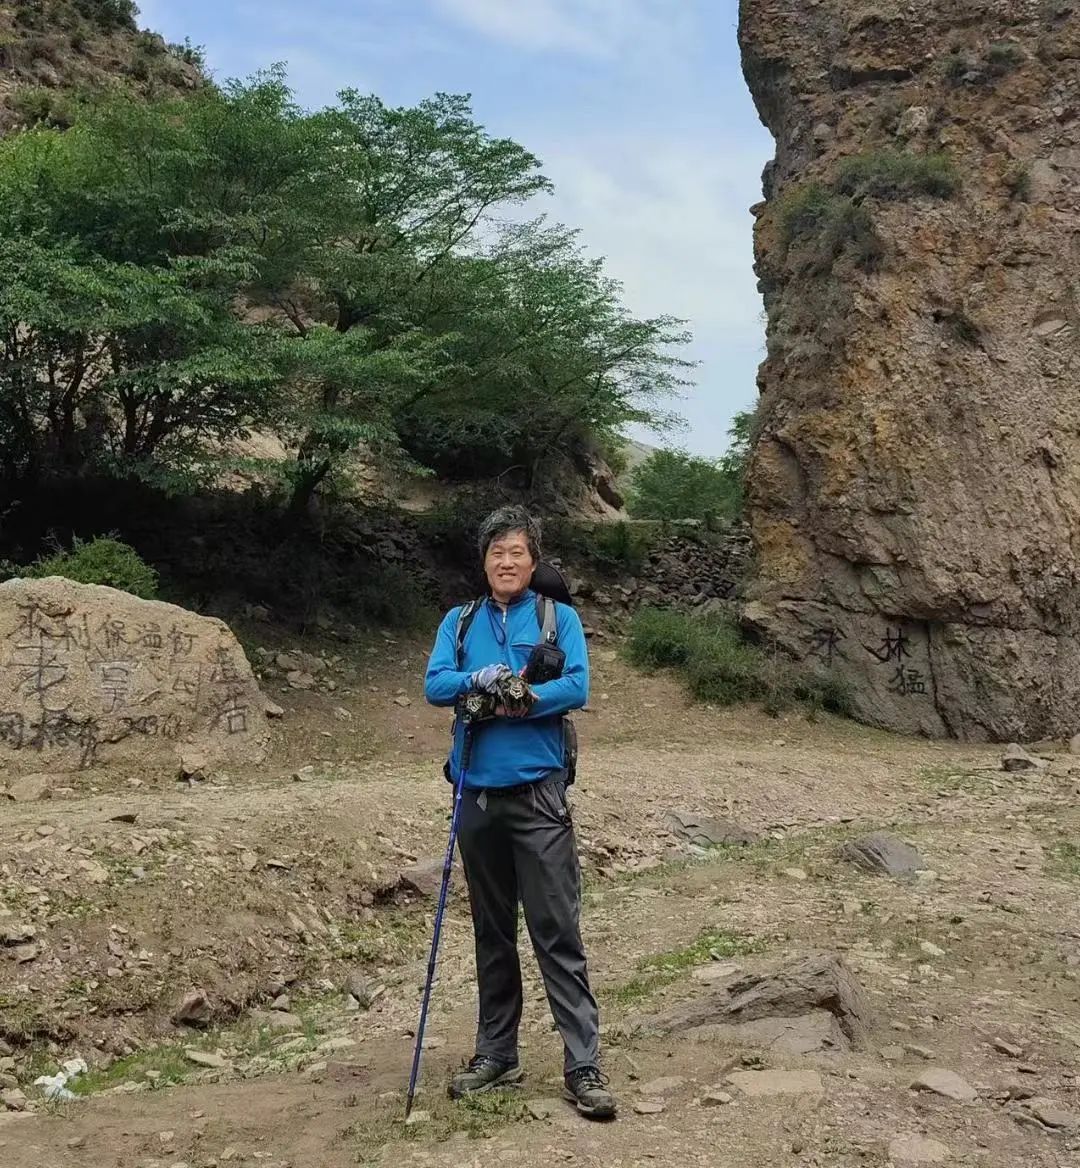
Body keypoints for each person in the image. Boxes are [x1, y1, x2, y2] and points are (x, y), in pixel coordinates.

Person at [424, 505, 616, 1120]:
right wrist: (478, 681)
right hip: (476, 795)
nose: (506, 563)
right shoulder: (459, 622)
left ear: (534, 562)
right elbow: (436, 684)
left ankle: (583, 1064)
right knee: (491, 931)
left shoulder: (558, 618)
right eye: (495, 553)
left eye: (517, 553)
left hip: (538, 796)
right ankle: (497, 1053)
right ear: (483, 563)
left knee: (557, 929)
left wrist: (524, 697)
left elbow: (577, 688)